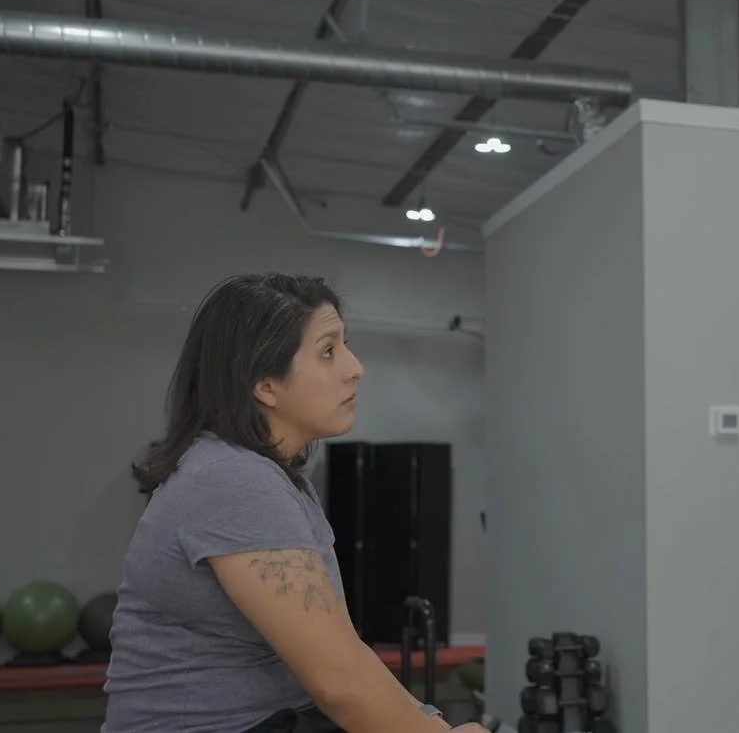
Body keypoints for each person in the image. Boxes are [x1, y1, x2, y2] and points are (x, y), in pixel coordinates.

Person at [102, 274, 481, 733]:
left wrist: (433, 724)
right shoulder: (233, 479)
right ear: (265, 384)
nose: (355, 367)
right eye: (328, 351)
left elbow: (345, 654)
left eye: (346, 345)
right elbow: (338, 683)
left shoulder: (272, 479)